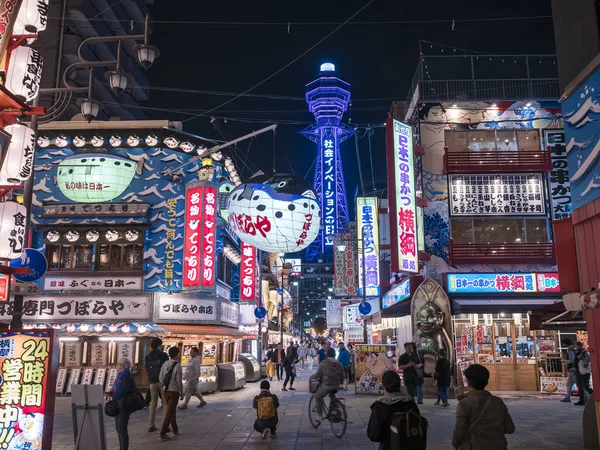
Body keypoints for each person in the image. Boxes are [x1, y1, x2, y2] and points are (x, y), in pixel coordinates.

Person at [452, 364, 515, 450]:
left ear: (468, 382)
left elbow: (459, 430)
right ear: (487, 381)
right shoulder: (498, 402)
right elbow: (510, 428)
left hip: (473, 446)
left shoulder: (464, 403)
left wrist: (456, 444)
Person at [367, 370, 420, 450]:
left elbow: (374, 435)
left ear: (383, 385)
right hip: (410, 445)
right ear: (399, 384)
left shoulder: (380, 406)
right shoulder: (410, 402)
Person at [313, 347, 345, 423]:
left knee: (318, 397)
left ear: (327, 354)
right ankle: (334, 410)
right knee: (332, 395)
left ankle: (319, 415)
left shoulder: (324, 363)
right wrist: (341, 383)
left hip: (326, 386)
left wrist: (312, 377)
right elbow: (342, 375)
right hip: (336, 386)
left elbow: (318, 374)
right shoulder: (339, 363)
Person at [158, 346, 183, 441]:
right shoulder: (178, 366)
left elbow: (160, 377)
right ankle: (163, 433)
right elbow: (179, 380)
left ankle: (175, 429)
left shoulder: (165, 364)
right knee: (170, 412)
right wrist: (181, 392)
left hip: (165, 390)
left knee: (172, 410)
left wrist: (164, 385)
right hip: (174, 391)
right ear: (177, 354)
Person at [111, 357, 135, 450]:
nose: (116, 366)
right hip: (119, 404)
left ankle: (124, 448)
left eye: (117, 364)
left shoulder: (126, 376)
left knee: (121, 429)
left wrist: (112, 397)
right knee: (119, 428)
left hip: (124, 404)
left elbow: (122, 390)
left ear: (122, 366)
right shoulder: (121, 375)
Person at [145, 338, 168, 432]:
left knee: (153, 403)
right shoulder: (163, 355)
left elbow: (147, 369)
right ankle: (165, 425)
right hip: (162, 382)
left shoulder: (147, 357)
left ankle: (151, 424)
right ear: (159, 345)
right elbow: (167, 368)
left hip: (152, 382)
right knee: (165, 403)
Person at [575, 341, 593, 405]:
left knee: (585, 386)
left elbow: (588, 359)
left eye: (576, 346)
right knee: (580, 386)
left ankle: (594, 394)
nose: (576, 347)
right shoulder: (577, 352)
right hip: (579, 370)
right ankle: (581, 400)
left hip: (584, 371)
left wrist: (583, 359)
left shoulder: (584, 352)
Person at [561, 338, 578, 403]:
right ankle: (567, 397)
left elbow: (572, 360)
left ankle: (586, 397)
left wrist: (565, 361)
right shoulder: (572, 349)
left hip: (573, 369)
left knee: (577, 384)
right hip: (572, 370)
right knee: (569, 384)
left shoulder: (570, 350)